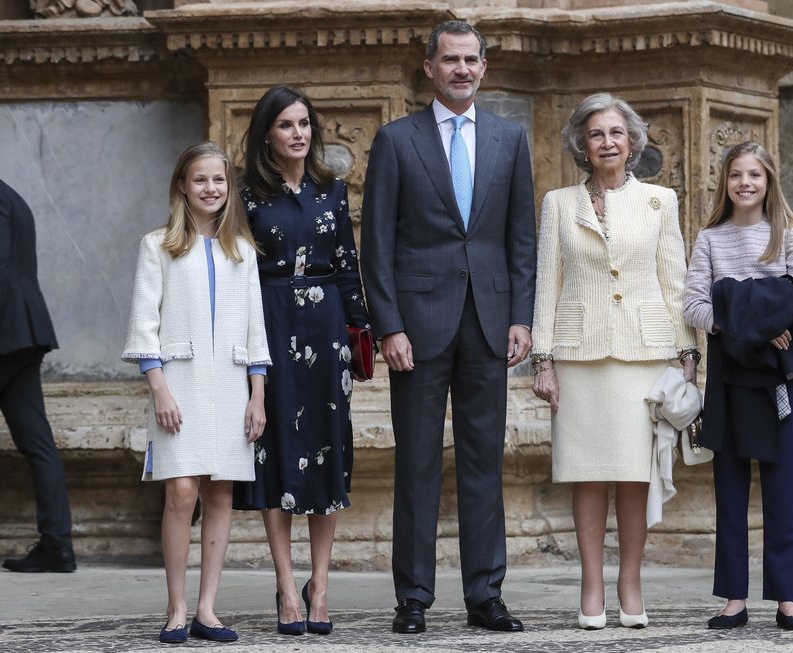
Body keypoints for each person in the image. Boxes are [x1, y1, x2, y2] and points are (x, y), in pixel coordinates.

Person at [360, 19, 535, 635]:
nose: (462, 69)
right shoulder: (396, 140)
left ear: (484, 68)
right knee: (417, 464)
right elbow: (376, 244)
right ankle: (413, 597)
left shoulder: (509, 139)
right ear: (429, 68)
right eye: (450, 59)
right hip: (418, 327)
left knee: (485, 462)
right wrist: (388, 326)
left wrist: (521, 316)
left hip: (489, 323)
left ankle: (485, 595)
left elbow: (520, 238)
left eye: (471, 60)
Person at [530, 93, 698, 630]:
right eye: (596, 134)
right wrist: (543, 360)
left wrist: (687, 355)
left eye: (616, 133)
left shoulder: (659, 202)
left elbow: (675, 281)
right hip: (579, 354)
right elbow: (547, 285)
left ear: (632, 143)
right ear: (582, 144)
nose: (607, 142)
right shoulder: (558, 203)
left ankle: (630, 582)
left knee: (634, 475)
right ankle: (591, 585)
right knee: (587, 474)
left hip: (644, 354)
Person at [232, 85, 371, 637]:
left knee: (326, 448)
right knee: (278, 451)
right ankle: (287, 586)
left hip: (327, 324)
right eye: (286, 124)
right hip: (270, 320)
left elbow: (345, 261)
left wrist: (360, 331)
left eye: (305, 123)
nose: (298, 133)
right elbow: (239, 272)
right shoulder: (247, 195)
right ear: (267, 132)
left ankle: (321, 585)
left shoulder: (331, 189)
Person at [122, 142, 271, 643]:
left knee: (220, 493)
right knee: (181, 491)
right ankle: (176, 608)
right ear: (182, 186)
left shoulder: (242, 252)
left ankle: (207, 609)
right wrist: (159, 389)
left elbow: (256, 332)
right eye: (201, 180)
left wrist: (258, 395)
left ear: (230, 189)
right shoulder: (158, 245)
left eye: (220, 181)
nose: (211, 189)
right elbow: (144, 324)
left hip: (232, 386)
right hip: (178, 385)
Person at [683, 140, 793, 632]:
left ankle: (787, 597)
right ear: (726, 182)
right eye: (736, 174)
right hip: (729, 373)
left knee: (781, 483)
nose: (745, 183)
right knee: (730, 483)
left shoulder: (786, 235)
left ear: (768, 181)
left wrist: (741, 302)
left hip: (775, 374)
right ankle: (733, 598)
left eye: (754, 175)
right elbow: (696, 305)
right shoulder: (710, 239)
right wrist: (755, 316)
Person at [0, 178, 75, 573]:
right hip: (21, 334)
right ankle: (57, 545)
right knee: (37, 442)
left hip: (7, 332)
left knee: (38, 443)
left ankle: (57, 544)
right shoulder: (12, 195)